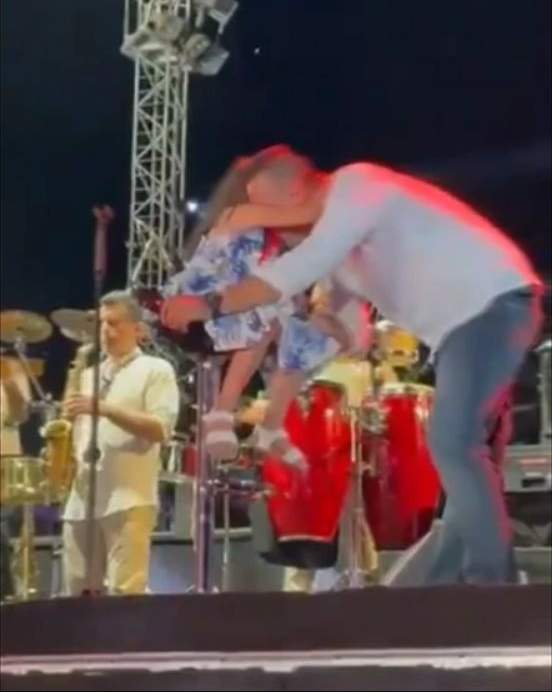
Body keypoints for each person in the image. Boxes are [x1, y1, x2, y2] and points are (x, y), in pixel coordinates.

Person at [161, 145, 543, 585]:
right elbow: (354, 336)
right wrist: (306, 317)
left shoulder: (358, 183)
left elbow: (300, 266)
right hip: (471, 325)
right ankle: (438, 592)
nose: (267, 228)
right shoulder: (340, 254)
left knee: (454, 444)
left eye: (266, 210)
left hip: (491, 308)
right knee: (467, 466)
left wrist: (211, 304)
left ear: (296, 192)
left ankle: (494, 586)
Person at [164, 157, 369, 468]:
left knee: (305, 332)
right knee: (269, 311)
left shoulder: (273, 239)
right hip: (201, 300)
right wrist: (337, 197)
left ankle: (271, 426)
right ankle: (222, 411)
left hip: (234, 310)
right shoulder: (241, 214)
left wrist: (337, 324)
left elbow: (315, 248)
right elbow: (310, 216)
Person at [62, 291, 179, 596]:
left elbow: (160, 429)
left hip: (128, 498)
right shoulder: (89, 374)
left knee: (126, 594)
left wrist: (105, 409)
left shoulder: (156, 370)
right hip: (82, 499)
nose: (105, 331)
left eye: (114, 323)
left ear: (138, 329)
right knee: (77, 593)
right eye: (102, 323)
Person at [0, 360, 31, 600]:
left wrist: (9, 384)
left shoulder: (10, 366)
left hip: (5, 467)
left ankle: (7, 597)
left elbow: (21, 415)